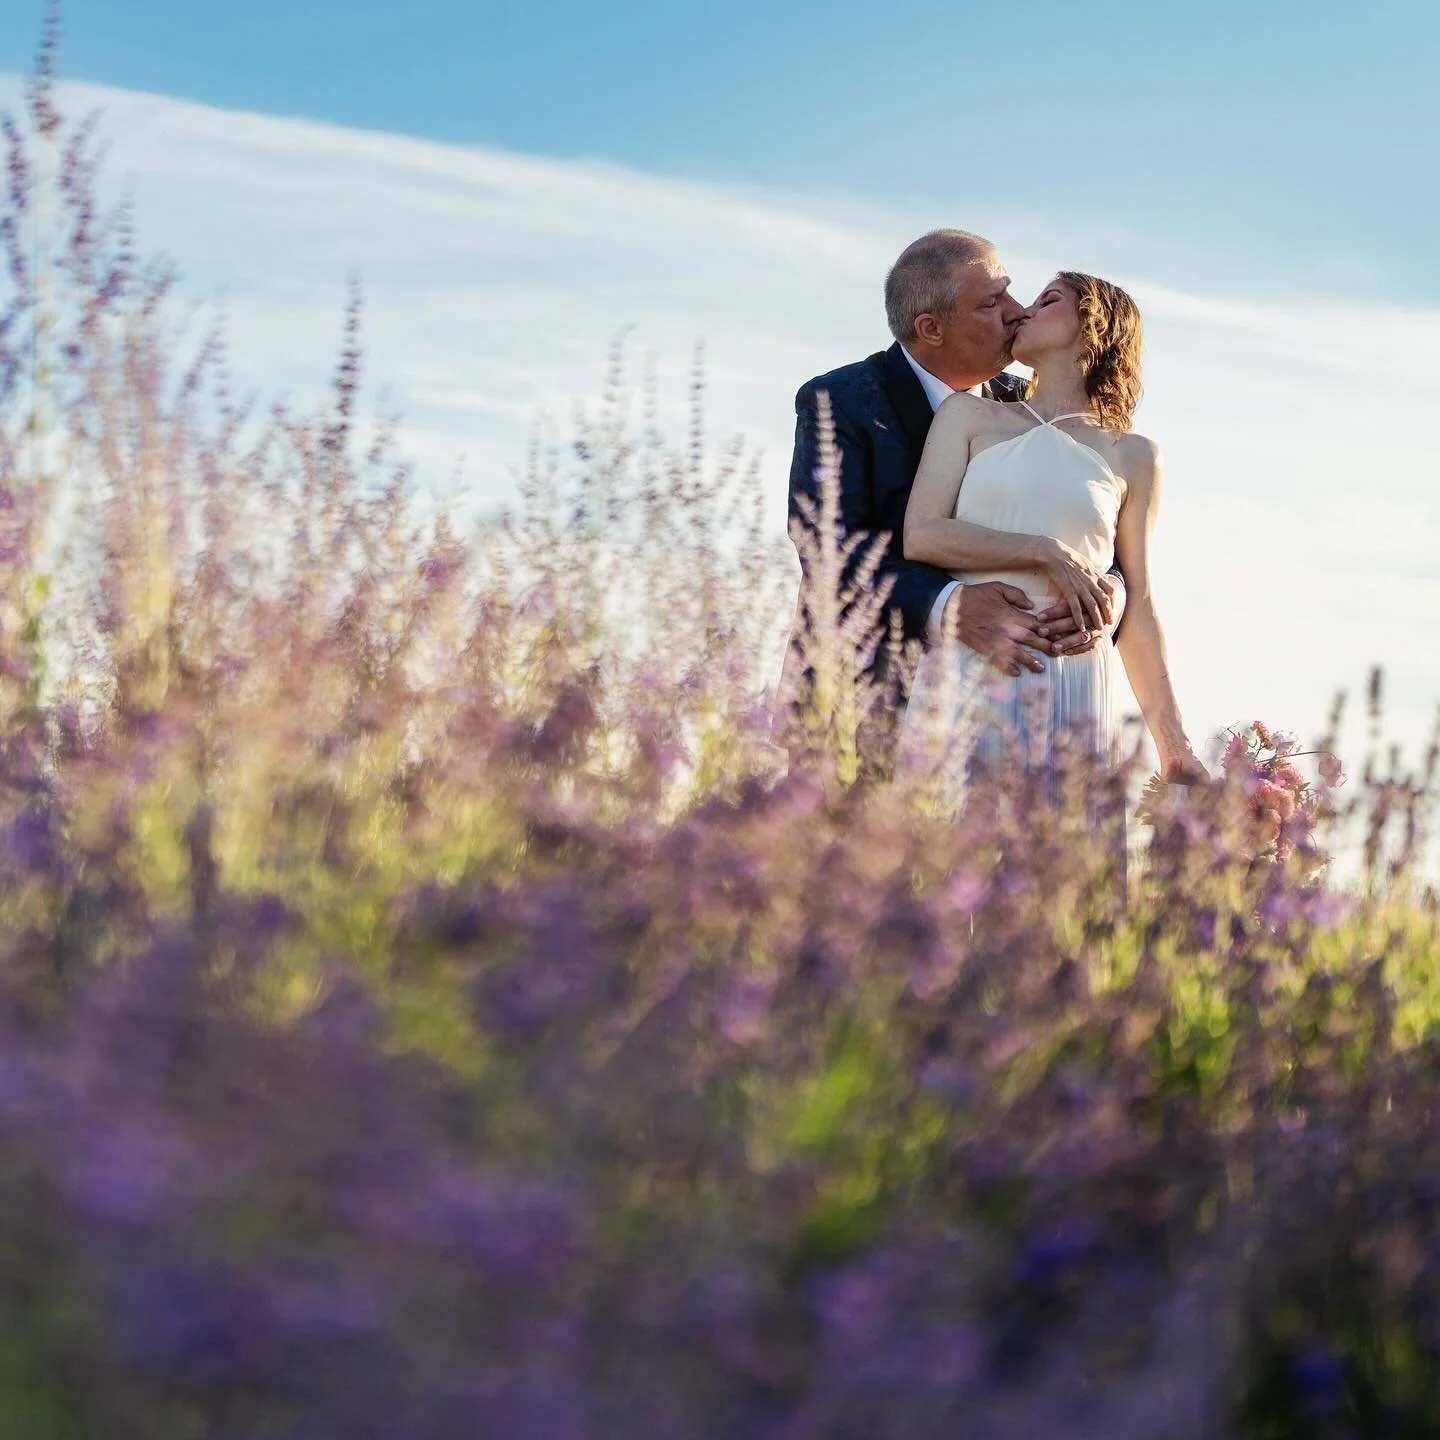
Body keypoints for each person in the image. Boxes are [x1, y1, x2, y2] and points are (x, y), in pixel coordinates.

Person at [784, 230, 1123, 769]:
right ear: (931, 329)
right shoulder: (840, 401)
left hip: (1015, 713)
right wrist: (946, 605)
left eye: (1010, 291)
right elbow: (829, 553)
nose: (1017, 311)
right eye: (991, 303)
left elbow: (1101, 538)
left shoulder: (1031, 408)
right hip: (862, 712)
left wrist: (1106, 598)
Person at [899, 270, 1207, 788]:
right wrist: (1044, 551)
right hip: (973, 667)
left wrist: (1174, 746)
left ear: (1093, 324)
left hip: (1077, 682)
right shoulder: (967, 416)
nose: (1024, 310)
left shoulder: (1133, 454)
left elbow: (1139, 604)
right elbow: (923, 534)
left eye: (1049, 300)